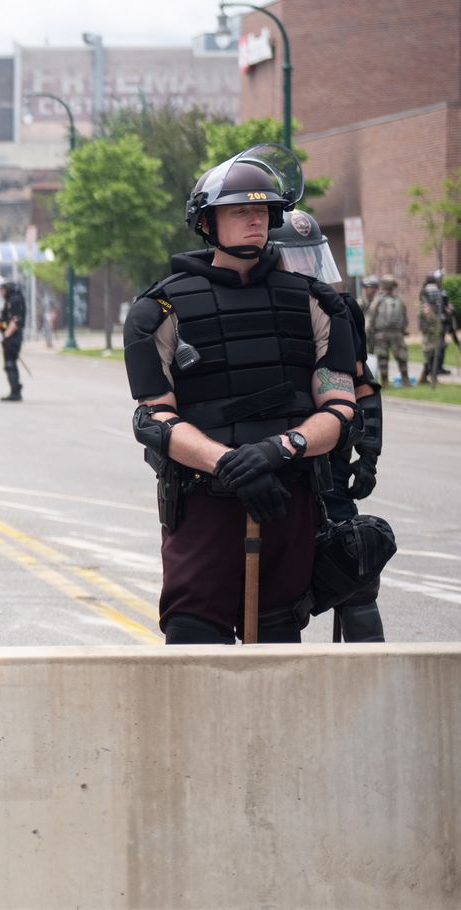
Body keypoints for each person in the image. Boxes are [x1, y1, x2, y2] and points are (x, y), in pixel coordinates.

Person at [123, 144, 359, 644]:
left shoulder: (319, 303)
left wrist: (280, 448)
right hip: (203, 501)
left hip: (287, 495)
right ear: (208, 223)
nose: (255, 220)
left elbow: (339, 408)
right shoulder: (158, 310)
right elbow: (153, 418)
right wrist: (226, 462)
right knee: (192, 634)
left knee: (278, 635)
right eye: (240, 211)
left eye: (263, 211)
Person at [268, 209, 386, 641]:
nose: (305, 271)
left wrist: (368, 454)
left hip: (329, 462)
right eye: (293, 260)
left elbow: (363, 386)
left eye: (310, 259)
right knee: (273, 588)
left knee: (356, 566)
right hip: (275, 461)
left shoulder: (339, 309)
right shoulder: (254, 304)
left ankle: (368, 681)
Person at [368, 275, 410, 386]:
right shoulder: (399, 300)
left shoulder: (378, 300)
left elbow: (371, 316)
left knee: (383, 358)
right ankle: (405, 380)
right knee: (401, 357)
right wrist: (404, 329)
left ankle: (385, 382)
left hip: (381, 333)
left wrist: (370, 329)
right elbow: (405, 317)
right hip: (397, 333)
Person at [418, 269, 453, 385]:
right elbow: (425, 314)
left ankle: (432, 376)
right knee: (430, 352)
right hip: (429, 331)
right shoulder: (425, 297)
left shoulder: (436, 292)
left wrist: (444, 313)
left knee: (437, 353)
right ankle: (426, 376)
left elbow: (440, 307)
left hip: (437, 329)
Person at [0, 277, 27, 401]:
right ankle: (14, 389)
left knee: (10, 364)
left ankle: (15, 392)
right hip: (9, 336)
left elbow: (15, 320)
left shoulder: (15, 300)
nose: (1, 292)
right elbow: (5, 318)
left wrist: (7, 335)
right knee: (9, 364)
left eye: (2, 289)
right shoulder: (9, 300)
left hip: (13, 336)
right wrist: (0, 325)